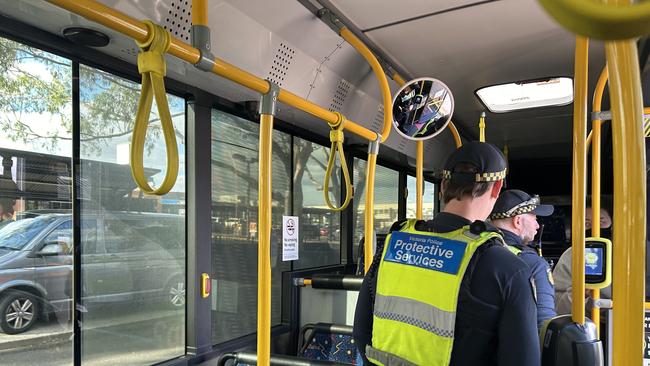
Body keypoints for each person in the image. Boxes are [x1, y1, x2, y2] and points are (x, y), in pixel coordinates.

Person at [353, 141, 540, 366]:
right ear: (497, 189)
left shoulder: (393, 244)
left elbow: (362, 332)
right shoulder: (509, 269)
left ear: (443, 186)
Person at [489, 189, 556, 328]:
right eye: (534, 218)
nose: (537, 226)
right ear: (518, 221)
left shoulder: (474, 251)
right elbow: (544, 325)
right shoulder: (534, 264)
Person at [553, 203, 613, 315]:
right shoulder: (572, 255)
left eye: (601, 221)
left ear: (613, 223)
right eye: (587, 223)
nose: (595, 227)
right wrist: (579, 293)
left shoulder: (633, 254)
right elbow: (559, 308)